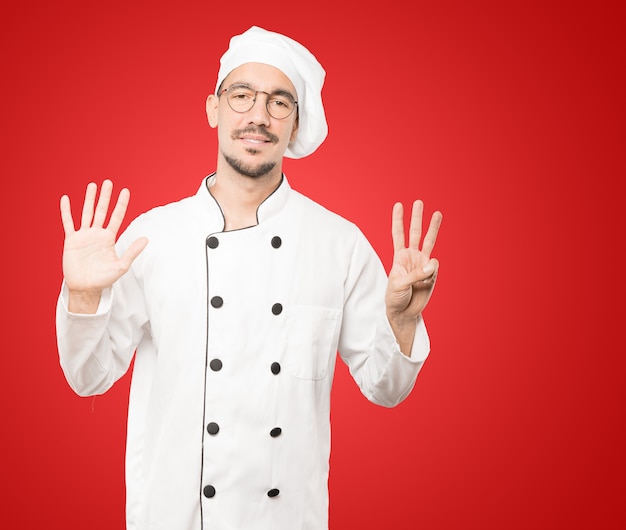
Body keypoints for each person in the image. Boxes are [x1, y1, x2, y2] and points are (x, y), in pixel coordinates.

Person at [56, 25, 442, 530]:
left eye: (279, 103)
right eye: (242, 96)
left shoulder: (338, 243)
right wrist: (84, 297)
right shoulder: (152, 238)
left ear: (295, 124)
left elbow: (386, 387)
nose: (258, 116)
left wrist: (403, 323)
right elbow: (90, 378)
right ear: (214, 108)